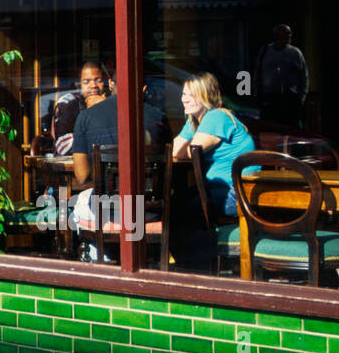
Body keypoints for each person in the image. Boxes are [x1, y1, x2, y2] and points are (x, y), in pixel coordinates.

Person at [68, 84, 171, 260]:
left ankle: (100, 258)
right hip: (149, 213)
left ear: (110, 84)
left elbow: (82, 175)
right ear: (144, 88)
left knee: (74, 205)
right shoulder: (159, 117)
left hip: (108, 211)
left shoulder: (86, 117)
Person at [172, 72, 257, 218]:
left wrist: (184, 146)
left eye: (191, 95)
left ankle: (205, 240)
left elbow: (188, 152)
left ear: (206, 96)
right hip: (222, 189)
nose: (184, 100)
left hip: (237, 194)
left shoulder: (216, 116)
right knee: (175, 202)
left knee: (175, 208)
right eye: (184, 94)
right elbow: (174, 151)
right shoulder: (195, 120)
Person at [254, 23, 308, 129]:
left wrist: (301, 97)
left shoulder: (295, 53)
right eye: (285, 34)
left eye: (289, 34)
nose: (289, 36)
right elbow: (257, 72)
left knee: (291, 129)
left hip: (289, 99)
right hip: (270, 99)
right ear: (276, 36)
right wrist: (257, 94)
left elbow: (303, 76)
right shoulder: (265, 51)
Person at [51, 61, 109, 156]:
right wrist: (93, 113)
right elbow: (63, 147)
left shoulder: (109, 101)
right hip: (71, 167)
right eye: (86, 82)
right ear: (78, 85)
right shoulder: (67, 103)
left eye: (98, 80)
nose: (93, 85)